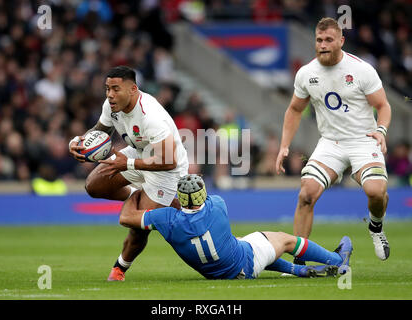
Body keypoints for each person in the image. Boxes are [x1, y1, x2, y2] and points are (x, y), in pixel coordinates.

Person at [275, 18, 391, 262]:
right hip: (331, 143)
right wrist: (284, 145)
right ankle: (299, 258)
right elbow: (295, 110)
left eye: (329, 40)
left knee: (376, 192)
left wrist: (381, 130)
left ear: (341, 41)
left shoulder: (361, 69)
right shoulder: (306, 74)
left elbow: (383, 105)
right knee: (307, 193)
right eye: (319, 40)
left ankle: (376, 227)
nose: (323, 45)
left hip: (363, 140)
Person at [68, 66, 189, 281]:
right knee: (93, 185)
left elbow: (168, 160)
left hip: (167, 168)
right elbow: (100, 131)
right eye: (107, 89)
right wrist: (79, 142)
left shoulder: (150, 116)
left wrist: (130, 164)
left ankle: (119, 269)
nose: (110, 95)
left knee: (138, 225)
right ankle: (141, 195)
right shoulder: (111, 106)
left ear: (133, 89)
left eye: (116, 89)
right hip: (138, 153)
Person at [119, 174, 352, 279]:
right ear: (202, 195)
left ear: (179, 198)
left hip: (215, 271)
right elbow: (203, 202)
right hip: (242, 265)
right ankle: (336, 260)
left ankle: (297, 270)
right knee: (285, 239)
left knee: (243, 242)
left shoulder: (165, 219)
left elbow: (126, 218)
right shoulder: (217, 205)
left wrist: (134, 192)